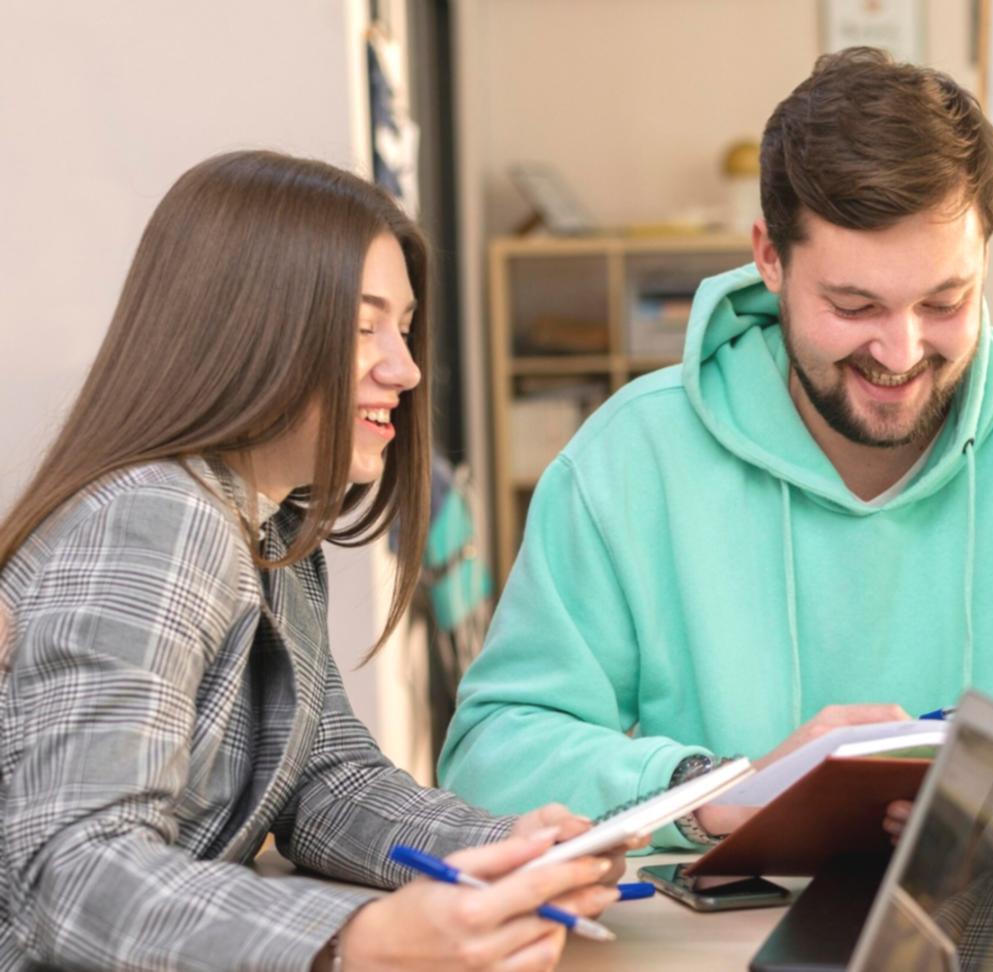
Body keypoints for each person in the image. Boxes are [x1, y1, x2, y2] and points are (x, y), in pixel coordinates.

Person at [439, 47, 993, 863]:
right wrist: (718, 790)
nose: (900, 352)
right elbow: (490, 755)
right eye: (853, 304)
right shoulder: (628, 459)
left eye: (945, 302)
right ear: (768, 257)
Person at [0, 151, 632, 972]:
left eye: (401, 328)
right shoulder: (156, 516)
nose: (403, 370)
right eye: (362, 326)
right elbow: (76, 873)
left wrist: (506, 846)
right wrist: (356, 942)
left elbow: (320, 780)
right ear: (246, 330)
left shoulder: (271, 530)